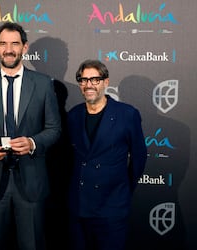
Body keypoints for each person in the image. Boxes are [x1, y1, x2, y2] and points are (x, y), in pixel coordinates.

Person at [0, 22, 61, 250]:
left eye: (15, 44)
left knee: (32, 244)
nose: (9, 49)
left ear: (25, 47)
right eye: (3, 44)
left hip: (31, 181)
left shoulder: (43, 84)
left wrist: (31, 143)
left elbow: (54, 129)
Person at [67, 59, 147, 250]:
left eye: (95, 79)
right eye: (83, 80)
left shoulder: (127, 114)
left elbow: (139, 157)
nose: (89, 85)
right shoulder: (73, 115)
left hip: (111, 206)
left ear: (106, 82)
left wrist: (122, 189)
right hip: (79, 207)